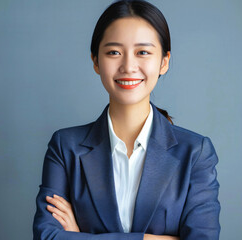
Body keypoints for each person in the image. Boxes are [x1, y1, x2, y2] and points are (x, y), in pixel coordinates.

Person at [33, 1, 221, 239]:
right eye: (114, 52)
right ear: (95, 61)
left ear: (164, 61)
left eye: (143, 52)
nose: (129, 66)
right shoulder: (65, 146)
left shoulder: (195, 152)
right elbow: (47, 236)